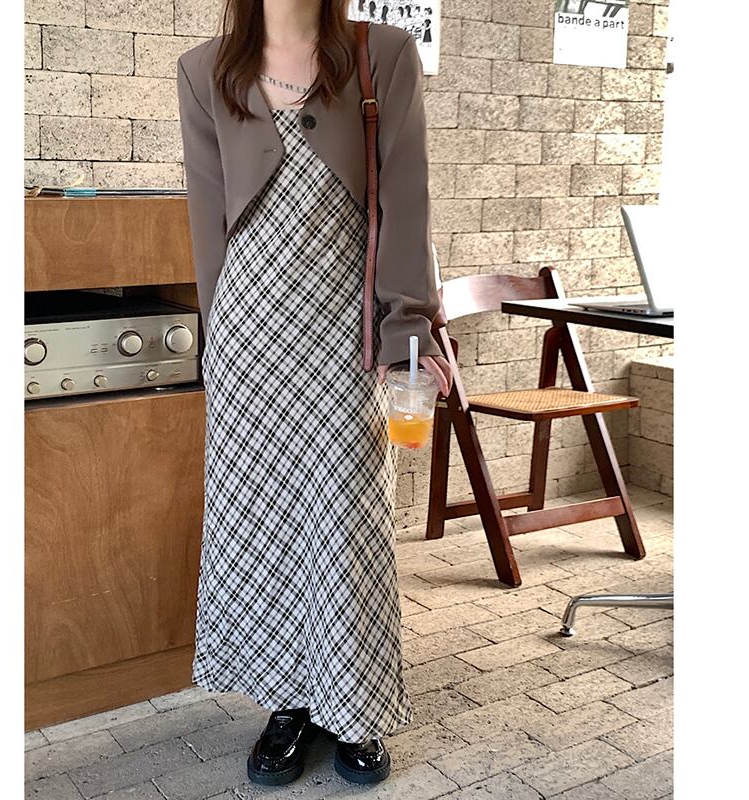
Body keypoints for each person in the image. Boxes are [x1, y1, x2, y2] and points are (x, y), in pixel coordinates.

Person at [176, 0, 452, 787]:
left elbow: (406, 202)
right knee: (261, 524)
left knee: (346, 520)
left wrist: (408, 331)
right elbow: (208, 221)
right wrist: (217, 345)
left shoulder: (382, 54)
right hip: (249, 335)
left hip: (343, 329)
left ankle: (353, 706)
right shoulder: (203, 71)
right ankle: (288, 702)